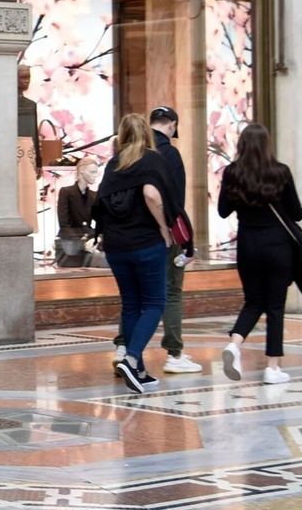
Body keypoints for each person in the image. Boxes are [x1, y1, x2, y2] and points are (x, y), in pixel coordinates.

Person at [111, 107, 201, 375]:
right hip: (155, 237)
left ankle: (125, 349)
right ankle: (171, 353)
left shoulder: (119, 158)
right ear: (172, 125)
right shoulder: (166, 154)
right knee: (166, 294)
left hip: (120, 239)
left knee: (131, 300)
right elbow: (170, 199)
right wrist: (175, 233)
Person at [92, 113, 177, 394]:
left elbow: (100, 203)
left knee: (131, 304)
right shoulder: (151, 159)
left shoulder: (113, 164)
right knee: (154, 303)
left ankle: (138, 370)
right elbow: (152, 194)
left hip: (116, 247)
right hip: (145, 243)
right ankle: (130, 358)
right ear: (146, 133)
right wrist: (163, 227)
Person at [217, 123, 302, 385]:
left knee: (253, 301)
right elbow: (295, 211)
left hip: (248, 244)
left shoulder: (232, 172)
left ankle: (234, 344)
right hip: (278, 245)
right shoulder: (280, 172)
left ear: (242, 144)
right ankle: (272, 368)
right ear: (267, 144)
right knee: (275, 306)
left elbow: (222, 210)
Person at [56, 157, 100, 267]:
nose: (95, 175)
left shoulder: (94, 196)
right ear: (81, 172)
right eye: (92, 172)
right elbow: (64, 224)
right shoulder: (66, 192)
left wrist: (97, 237)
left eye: (96, 172)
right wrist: (81, 242)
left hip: (88, 242)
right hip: (70, 243)